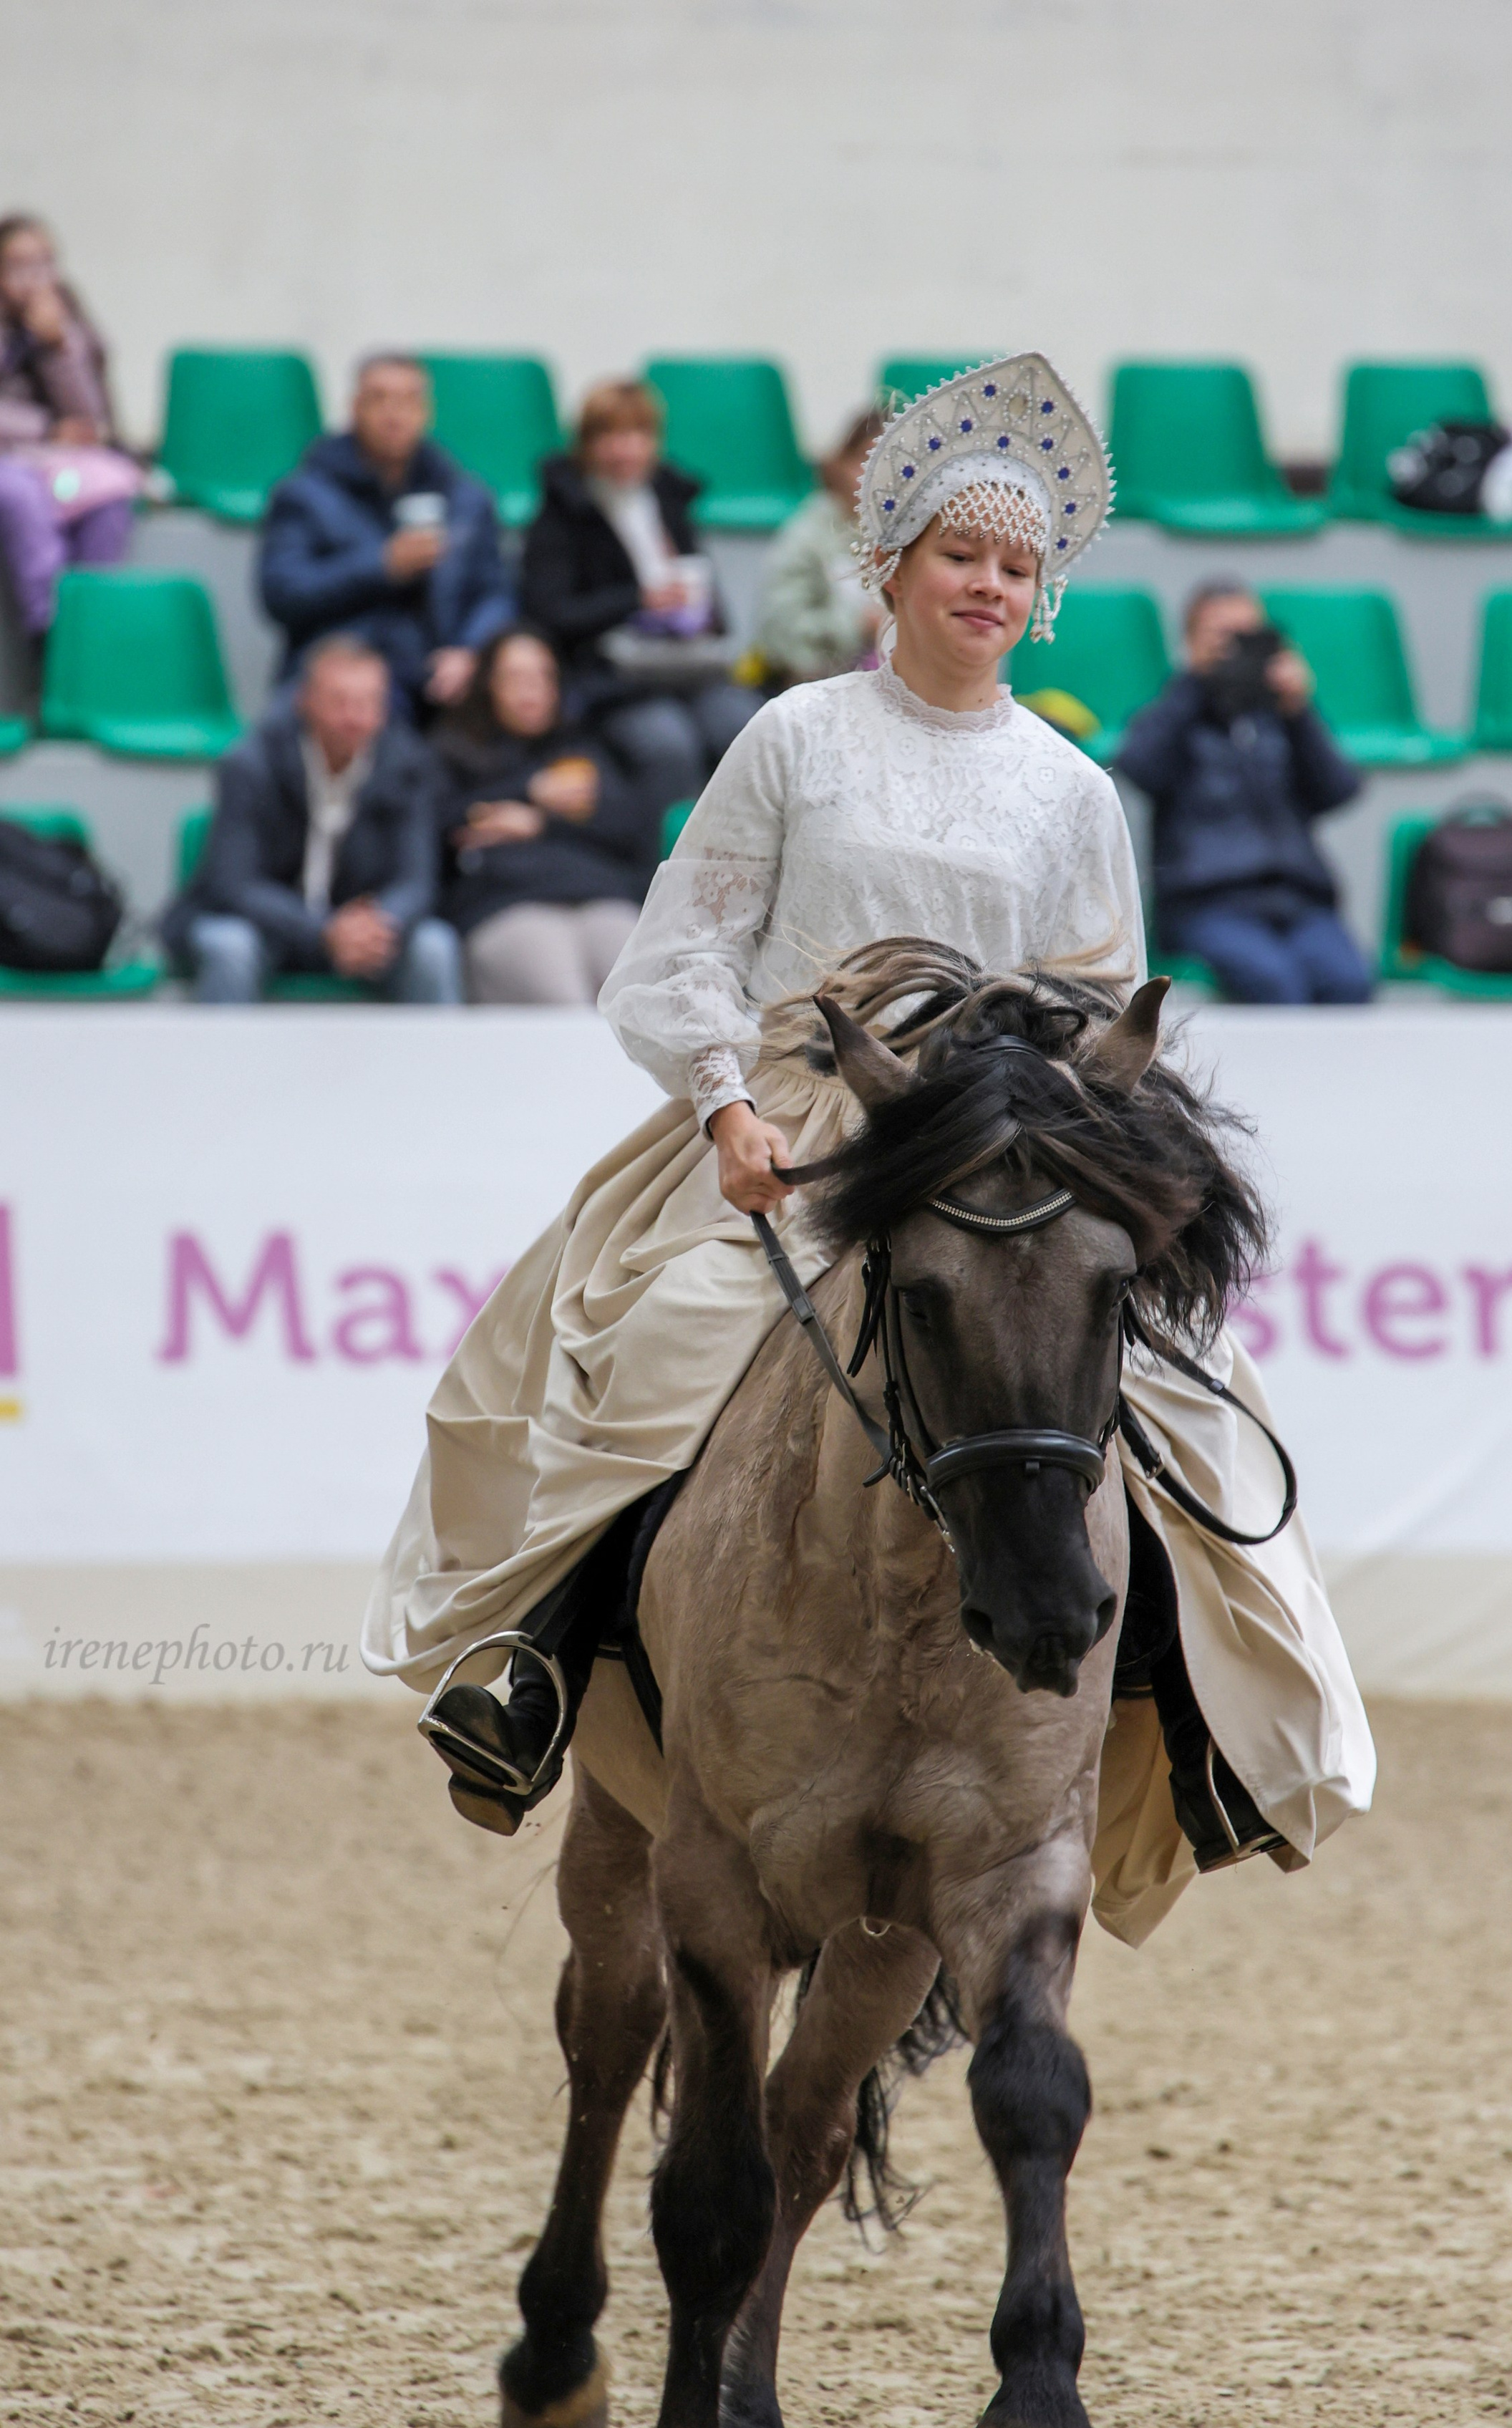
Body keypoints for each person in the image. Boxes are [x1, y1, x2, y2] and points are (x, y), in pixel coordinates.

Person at [366, 352, 1372, 1920]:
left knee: (1186, 1401)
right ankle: (536, 1667)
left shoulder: (1073, 789)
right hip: (793, 1121)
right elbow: (688, 945)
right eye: (960, 554)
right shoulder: (794, 736)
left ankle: (1195, 1727)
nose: (987, 585)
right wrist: (724, 1106)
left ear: (1041, 596)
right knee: (661, 1340)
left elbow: (1099, 1004)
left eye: (1015, 567)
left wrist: (1091, 1155)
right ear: (892, 566)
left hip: (995, 1147)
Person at [163, 632, 459, 1004]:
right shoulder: (251, 764)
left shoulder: (410, 767)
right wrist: (323, 930)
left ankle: (433, 1048)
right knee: (231, 947)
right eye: (340, 702)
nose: (355, 717)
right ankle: (222, 1045)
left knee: (435, 948)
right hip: (265, 926)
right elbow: (236, 883)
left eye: (369, 702)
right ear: (304, 700)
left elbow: (415, 881)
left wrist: (378, 925)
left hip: (364, 935)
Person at [518, 377, 760, 832]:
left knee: (746, 724)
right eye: (610, 435)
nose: (624, 450)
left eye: (636, 435)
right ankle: (664, 860)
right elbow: (548, 614)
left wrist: (698, 612)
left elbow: (713, 603)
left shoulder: (669, 500)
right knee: (669, 744)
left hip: (686, 666)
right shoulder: (563, 513)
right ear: (586, 444)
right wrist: (636, 601)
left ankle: (749, 854)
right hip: (610, 679)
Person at [1115, 583, 1370, 1006]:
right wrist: (1192, 681)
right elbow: (1139, 767)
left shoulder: (1282, 720)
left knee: (1348, 981)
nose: (1236, 650)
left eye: (1248, 637)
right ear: (1192, 642)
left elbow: (1338, 790)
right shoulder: (1174, 716)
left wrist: (1299, 710)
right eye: (1222, 636)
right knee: (1275, 982)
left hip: (1298, 902)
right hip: (1206, 905)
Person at [258, 354, 515, 718]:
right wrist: (381, 565)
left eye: (408, 401)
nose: (394, 415)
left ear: (427, 412)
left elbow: (495, 593)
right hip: (345, 673)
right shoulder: (306, 495)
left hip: (440, 675)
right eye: (379, 399)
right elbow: (283, 593)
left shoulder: (465, 497)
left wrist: (472, 650)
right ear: (354, 408)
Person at [432, 627, 646, 1005]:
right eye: (515, 678)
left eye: (542, 677)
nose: (530, 691)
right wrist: (530, 790)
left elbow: (629, 830)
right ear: (487, 685)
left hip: (600, 896)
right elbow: (444, 825)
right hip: (507, 904)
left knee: (639, 992)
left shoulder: (582, 750)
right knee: (563, 1000)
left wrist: (540, 823)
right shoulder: (454, 752)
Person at [0, 214, 143, 650]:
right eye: (20, 265)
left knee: (110, 487)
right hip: (12, 458)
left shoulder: (68, 318)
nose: (35, 278)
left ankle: (93, 624)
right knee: (20, 494)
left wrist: (57, 346)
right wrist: (45, 429)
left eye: (45, 263)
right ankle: (49, 631)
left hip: (55, 461)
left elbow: (90, 414)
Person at [747, 409, 883, 687]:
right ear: (841, 463)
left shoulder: (915, 536)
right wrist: (857, 626)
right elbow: (779, 634)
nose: (876, 476)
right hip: (816, 686)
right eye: (865, 460)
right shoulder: (807, 535)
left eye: (891, 465)